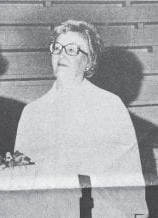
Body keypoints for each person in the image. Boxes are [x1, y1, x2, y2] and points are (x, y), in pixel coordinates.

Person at [14, 20, 143, 177]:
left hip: (93, 199)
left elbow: (128, 177)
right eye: (57, 48)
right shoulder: (31, 112)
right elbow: (21, 176)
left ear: (88, 61)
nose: (61, 55)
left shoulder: (110, 105)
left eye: (72, 50)